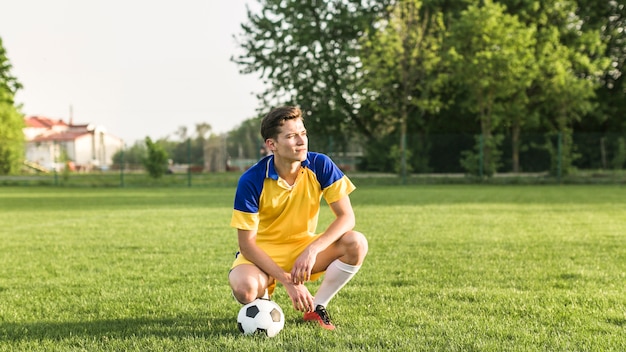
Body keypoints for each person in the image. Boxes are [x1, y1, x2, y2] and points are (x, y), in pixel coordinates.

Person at [228, 106, 368, 330]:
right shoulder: (251, 180)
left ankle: (317, 307)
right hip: (262, 252)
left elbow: (347, 217)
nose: (301, 141)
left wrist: (312, 250)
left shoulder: (320, 164)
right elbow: (246, 244)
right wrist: (287, 280)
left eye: (302, 133)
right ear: (272, 144)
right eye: (291, 136)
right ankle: (260, 298)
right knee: (245, 288)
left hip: (303, 248)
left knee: (356, 242)